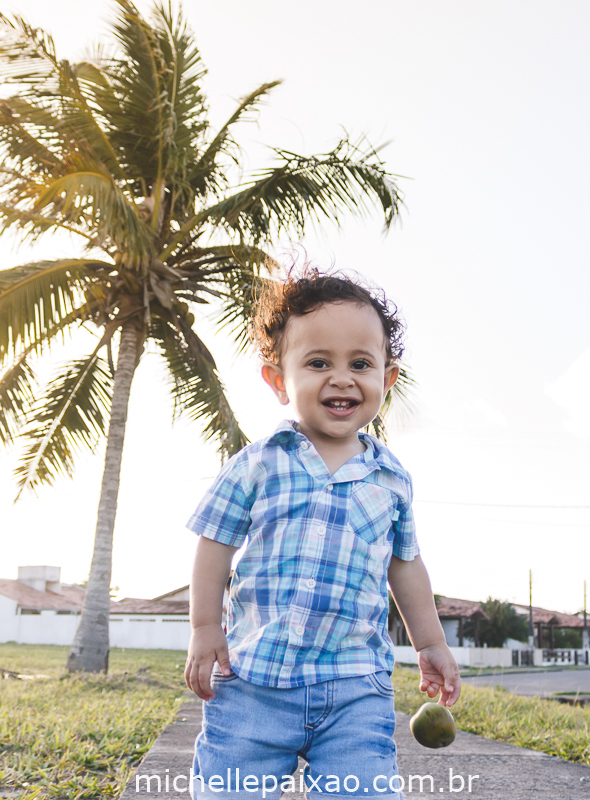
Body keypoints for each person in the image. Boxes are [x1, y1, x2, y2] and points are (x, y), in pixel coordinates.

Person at [183, 268, 460, 799]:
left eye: (361, 363)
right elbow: (214, 542)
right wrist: (204, 627)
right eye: (317, 363)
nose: (341, 378)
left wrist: (431, 643)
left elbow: (405, 565)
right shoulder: (258, 463)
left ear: (388, 379)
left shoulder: (392, 478)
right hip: (254, 682)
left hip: (355, 686)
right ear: (278, 380)